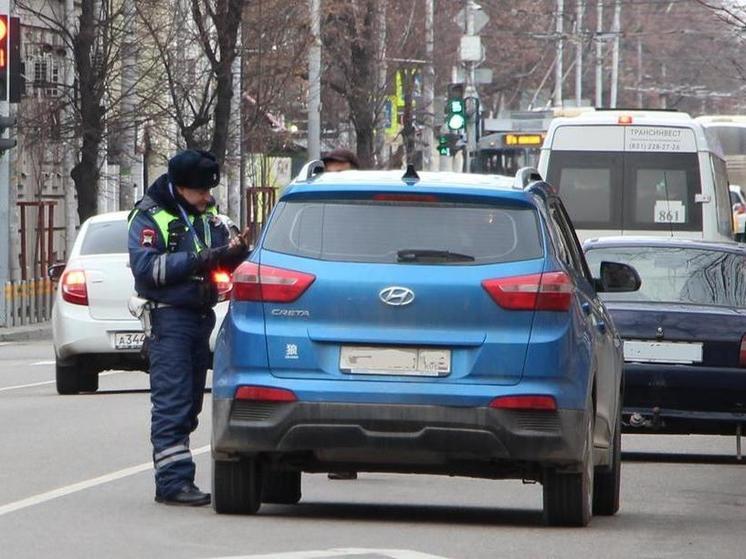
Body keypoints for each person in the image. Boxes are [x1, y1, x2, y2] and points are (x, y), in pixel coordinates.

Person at [128, 149, 250, 506]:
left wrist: (234, 252)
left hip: (200, 316)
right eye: (201, 191)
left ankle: (177, 477)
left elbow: (216, 255)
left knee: (192, 402)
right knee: (173, 402)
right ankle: (172, 483)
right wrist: (204, 258)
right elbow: (148, 269)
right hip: (169, 318)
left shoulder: (206, 213)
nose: (208, 198)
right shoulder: (149, 217)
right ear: (181, 188)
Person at [321, 147, 360, 481]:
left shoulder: (372, 210)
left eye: (343, 173)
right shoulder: (315, 210)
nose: (336, 181)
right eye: (331, 174)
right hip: (330, 304)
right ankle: (339, 453)